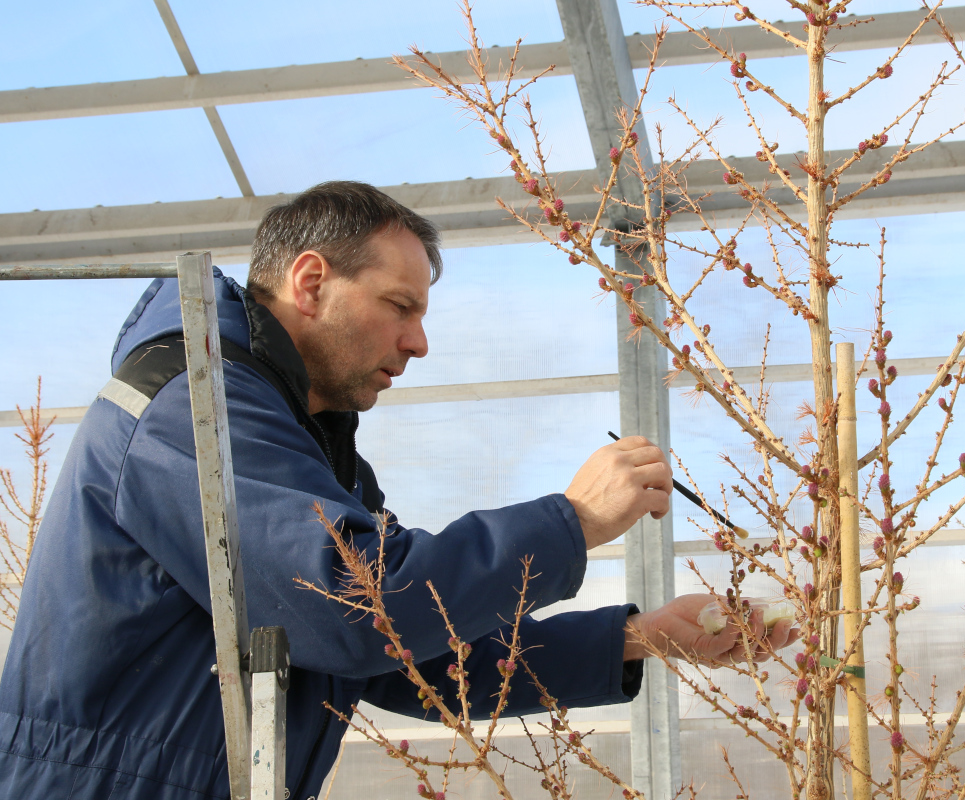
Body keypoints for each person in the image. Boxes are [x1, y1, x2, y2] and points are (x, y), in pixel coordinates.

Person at [0, 181, 795, 799]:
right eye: (399, 306)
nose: (419, 341)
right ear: (311, 282)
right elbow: (355, 610)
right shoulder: (192, 408)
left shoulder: (311, 452)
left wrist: (637, 637)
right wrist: (573, 519)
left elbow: (412, 657)